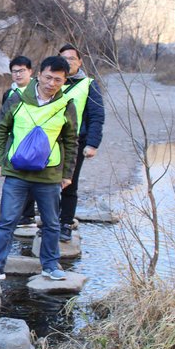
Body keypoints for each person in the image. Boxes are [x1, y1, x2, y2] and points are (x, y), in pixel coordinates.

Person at [0, 56, 78, 282]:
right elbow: (0, 129)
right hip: (16, 172)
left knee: (51, 222)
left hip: (49, 174)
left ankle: (50, 265)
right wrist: (0, 162)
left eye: (58, 80)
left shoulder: (66, 104)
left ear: (65, 81)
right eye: (48, 77)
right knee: (7, 220)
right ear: (39, 74)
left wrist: (67, 174)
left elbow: (71, 141)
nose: (52, 83)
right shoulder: (17, 98)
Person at [57, 44, 105, 242]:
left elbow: (97, 116)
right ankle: (51, 222)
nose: (68, 62)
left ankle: (65, 224)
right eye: (64, 59)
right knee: (46, 183)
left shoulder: (88, 84)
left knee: (69, 183)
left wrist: (92, 144)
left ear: (80, 62)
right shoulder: (53, 81)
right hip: (50, 141)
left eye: (71, 58)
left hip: (75, 142)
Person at [2, 56, 37, 228]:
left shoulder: (39, 90)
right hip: (15, 140)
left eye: (21, 70)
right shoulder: (9, 94)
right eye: (14, 71)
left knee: (33, 177)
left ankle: (29, 215)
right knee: (16, 178)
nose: (18, 74)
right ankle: (19, 215)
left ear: (30, 71)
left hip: (34, 142)